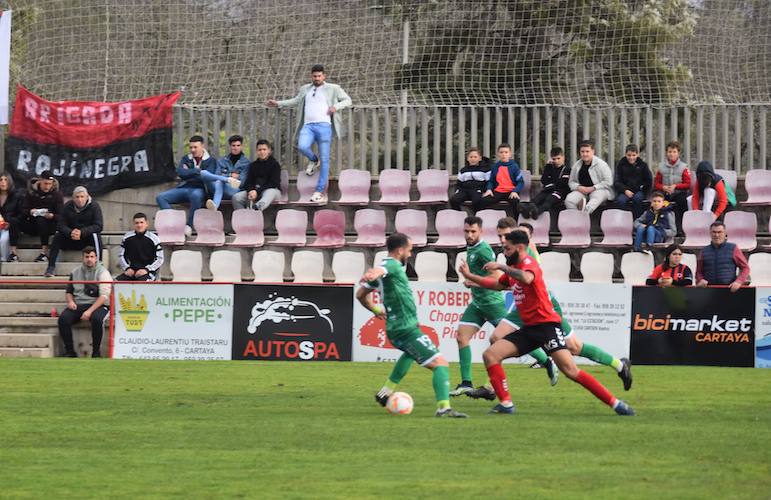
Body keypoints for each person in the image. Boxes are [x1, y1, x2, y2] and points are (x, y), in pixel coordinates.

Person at [459, 230, 635, 416]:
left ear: (519, 248)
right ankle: (506, 404)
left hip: (547, 327)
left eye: (507, 249)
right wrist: (470, 277)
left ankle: (616, 403)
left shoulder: (528, 264)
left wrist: (502, 267)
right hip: (529, 328)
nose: (504, 252)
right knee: (491, 355)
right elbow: (497, 285)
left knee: (571, 370)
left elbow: (527, 278)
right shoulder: (514, 269)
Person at [356, 233, 468, 418]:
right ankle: (444, 408)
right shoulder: (391, 265)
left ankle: (385, 392)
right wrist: (372, 272)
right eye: (409, 250)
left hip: (400, 328)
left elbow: (360, 294)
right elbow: (380, 270)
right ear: (400, 250)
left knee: (410, 354)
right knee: (441, 364)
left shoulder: (389, 268)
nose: (410, 254)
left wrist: (376, 310)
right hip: (404, 329)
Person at [266, 64, 352, 203]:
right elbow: (295, 101)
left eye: (319, 76)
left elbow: (348, 100)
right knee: (302, 146)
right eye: (314, 76)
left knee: (325, 160)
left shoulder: (333, 88)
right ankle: (313, 159)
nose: (317, 78)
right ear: (311, 76)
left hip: (324, 126)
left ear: (324, 76)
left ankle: (319, 191)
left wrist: (336, 106)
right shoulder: (305, 88)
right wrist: (278, 103)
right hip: (308, 126)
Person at [448, 216, 508, 396]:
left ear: (481, 231)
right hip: (478, 303)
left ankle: (546, 361)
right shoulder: (472, 247)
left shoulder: (483, 250)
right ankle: (466, 383)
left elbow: (497, 278)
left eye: (473, 231)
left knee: (518, 338)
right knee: (461, 337)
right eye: (466, 231)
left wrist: (473, 282)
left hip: (492, 303)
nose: (469, 235)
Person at [156, 135, 218, 235]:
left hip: (200, 189)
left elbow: (207, 176)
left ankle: (189, 226)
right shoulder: (186, 158)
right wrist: (197, 171)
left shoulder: (211, 161)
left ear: (202, 146)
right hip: (184, 187)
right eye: (191, 147)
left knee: (196, 196)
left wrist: (189, 172)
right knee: (161, 197)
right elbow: (180, 173)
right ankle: (175, 225)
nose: (192, 150)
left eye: (195, 147)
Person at [58, 246, 112, 358]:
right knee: (63, 319)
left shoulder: (103, 273)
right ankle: (70, 352)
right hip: (79, 304)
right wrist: (70, 301)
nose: (89, 259)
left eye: (92, 257)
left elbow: (104, 296)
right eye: (86, 257)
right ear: (82, 258)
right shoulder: (75, 272)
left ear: (96, 258)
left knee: (97, 319)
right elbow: (69, 291)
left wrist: (89, 311)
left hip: (98, 305)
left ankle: (96, 353)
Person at [45, 186, 103, 278]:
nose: (80, 200)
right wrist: (70, 232)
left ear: (87, 197)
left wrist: (82, 232)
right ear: (73, 198)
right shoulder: (67, 206)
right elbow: (60, 225)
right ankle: (51, 267)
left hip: (86, 240)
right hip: (70, 238)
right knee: (57, 235)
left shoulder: (94, 206)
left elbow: (98, 226)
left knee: (96, 236)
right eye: (77, 197)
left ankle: (99, 266)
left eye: (82, 197)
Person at [19, 170, 64, 263]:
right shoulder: (31, 193)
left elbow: (61, 215)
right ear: (40, 181)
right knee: (15, 222)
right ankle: (13, 252)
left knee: (41, 220)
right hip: (33, 223)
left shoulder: (57, 195)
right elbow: (23, 210)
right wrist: (30, 212)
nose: (47, 186)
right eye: (45, 183)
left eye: (50, 184)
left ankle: (44, 251)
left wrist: (52, 216)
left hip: (50, 225)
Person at [695, 221, 750, 292]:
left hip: (729, 290)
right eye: (714, 232)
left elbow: (745, 268)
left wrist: (739, 282)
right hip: (708, 291)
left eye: (719, 232)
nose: (716, 235)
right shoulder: (704, 251)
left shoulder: (733, 248)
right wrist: (700, 279)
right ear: (710, 233)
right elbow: (698, 271)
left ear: (725, 233)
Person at [201, 135, 250, 210]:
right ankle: (226, 180)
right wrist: (230, 176)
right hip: (217, 188)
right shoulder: (222, 161)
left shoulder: (246, 163)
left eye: (238, 145)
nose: (236, 148)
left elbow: (242, 182)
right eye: (233, 145)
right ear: (230, 146)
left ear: (241, 146)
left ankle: (215, 205)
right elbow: (216, 175)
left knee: (220, 182)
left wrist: (224, 176)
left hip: (234, 191)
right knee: (203, 173)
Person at [565, 140, 614, 214]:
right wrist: (578, 187)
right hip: (582, 191)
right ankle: (576, 219)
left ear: (593, 151)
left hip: (599, 190)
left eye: (587, 151)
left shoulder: (601, 165)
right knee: (569, 200)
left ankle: (583, 217)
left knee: (594, 200)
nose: (585, 154)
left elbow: (608, 182)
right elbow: (571, 182)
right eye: (582, 151)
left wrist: (593, 188)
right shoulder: (576, 165)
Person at [232, 139, 283, 211]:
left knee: (270, 192)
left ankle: (255, 209)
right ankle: (242, 217)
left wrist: (257, 191)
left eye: (264, 149)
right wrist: (251, 191)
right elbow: (248, 182)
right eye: (260, 150)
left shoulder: (275, 165)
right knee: (236, 197)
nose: (262, 152)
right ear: (257, 151)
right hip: (255, 192)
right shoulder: (253, 165)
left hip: (271, 191)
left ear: (269, 151)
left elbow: (273, 183)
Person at [523, 146, 570, 220]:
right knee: (537, 198)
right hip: (548, 190)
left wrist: (552, 183)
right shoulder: (550, 167)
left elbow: (563, 184)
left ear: (563, 157)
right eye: (554, 159)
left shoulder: (567, 170)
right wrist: (548, 166)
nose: (556, 161)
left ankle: (537, 212)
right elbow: (544, 180)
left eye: (558, 158)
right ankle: (525, 209)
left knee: (549, 200)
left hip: (559, 193)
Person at [479, 143, 524, 218]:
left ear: (510, 154)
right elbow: (491, 181)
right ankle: (482, 221)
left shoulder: (514, 166)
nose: (503, 154)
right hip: (498, 191)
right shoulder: (495, 167)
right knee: (483, 201)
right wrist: (489, 189)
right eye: (501, 152)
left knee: (515, 203)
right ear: (498, 154)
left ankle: (516, 223)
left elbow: (520, 182)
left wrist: (515, 191)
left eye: (506, 152)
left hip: (511, 192)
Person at [116, 213, 164, 281]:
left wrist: (147, 269)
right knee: (115, 283)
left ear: (146, 224)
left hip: (148, 273)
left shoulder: (155, 239)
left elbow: (160, 259)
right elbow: (121, 255)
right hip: (131, 271)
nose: (139, 225)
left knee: (143, 284)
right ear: (134, 224)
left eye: (142, 222)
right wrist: (127, 268)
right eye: (137, 223)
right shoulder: (127, 238)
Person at [653, 140, 691, 220]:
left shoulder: (683, 167)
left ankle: (681, 226)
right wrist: (663, 187)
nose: (672, 154)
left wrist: (676, 186)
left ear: (678, 153)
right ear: (666, 153)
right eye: (670, 152)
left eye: (674, 152)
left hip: (679, 192)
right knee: (658, 202)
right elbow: (656, 183)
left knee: (682, 201)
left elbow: (687, 184)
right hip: (664, 193)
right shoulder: (661, 167)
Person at [614, 144, 652, 219]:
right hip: (624, 191)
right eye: (629, 155)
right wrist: (625, 190)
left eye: (634, 155)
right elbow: (617, 181)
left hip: (639, 191)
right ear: (625, 154)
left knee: (637, 199)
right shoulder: (621, 165)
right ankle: (624, 221)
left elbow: (648, 180)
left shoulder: (643, 165)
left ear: (637, 154)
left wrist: (642, 188)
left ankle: (637, 220)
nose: (631, 157)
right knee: (621, 201)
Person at [449, 148, 491, 212]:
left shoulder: (485, 169)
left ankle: (476, 217)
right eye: (471, 157)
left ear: (480, 158)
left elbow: (489, 182)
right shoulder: (463, 170)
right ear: (467, 158)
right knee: (453, 200)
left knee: (477, 201)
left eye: (475, 157)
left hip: (477, 190)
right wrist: (457, 191)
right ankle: (460, 214)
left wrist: (487, 190)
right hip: (464, 191)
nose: (473, 159)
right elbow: (459, 183)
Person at [0, 173, 23, 262]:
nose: (3, 182)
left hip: (10, 226)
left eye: (5, 180)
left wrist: (11, 223)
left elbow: (20, 215)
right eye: (1, 180)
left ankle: (4, 259)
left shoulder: (16, 196)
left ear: (9, 182)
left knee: (3, 240)